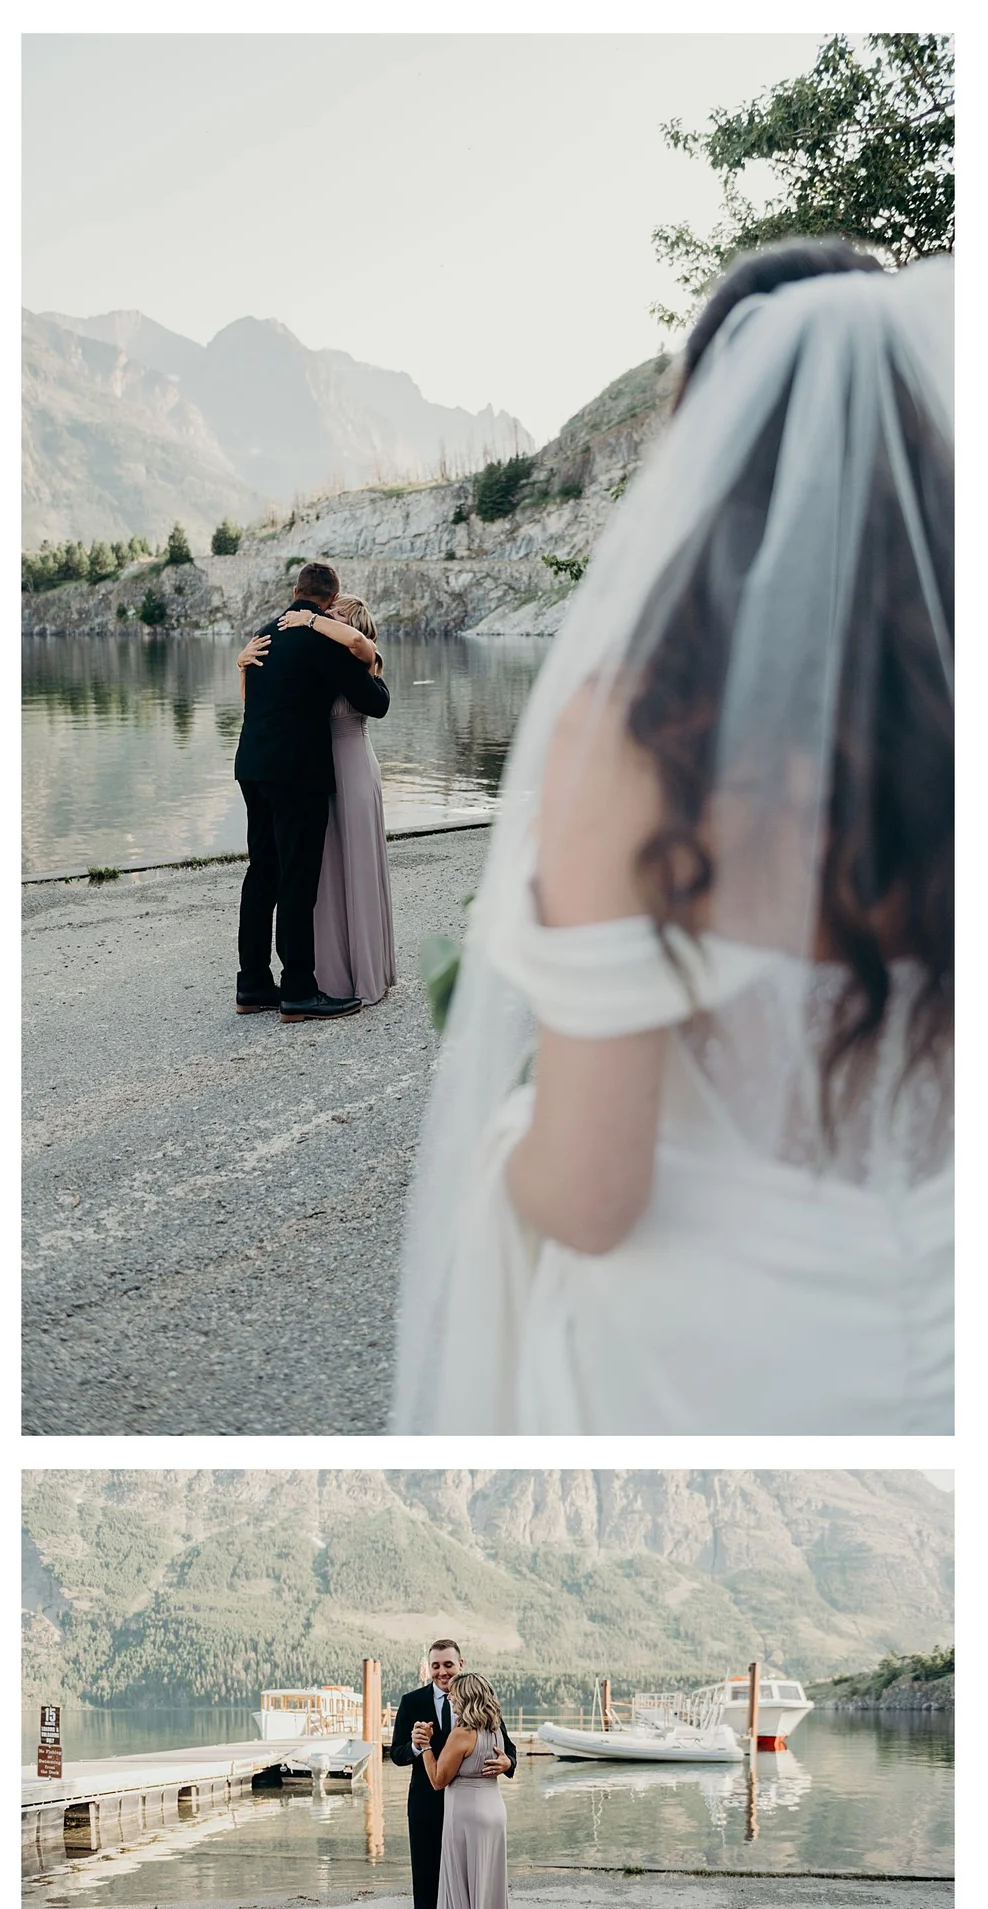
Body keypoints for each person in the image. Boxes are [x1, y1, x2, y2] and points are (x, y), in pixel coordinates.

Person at [394, 241, 954, 1436]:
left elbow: (593, 1194)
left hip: (715, 1356)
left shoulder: (642, 733)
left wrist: (502, 1147)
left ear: (708, 447)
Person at [233, 561, 390, 1023]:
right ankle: (299, 991)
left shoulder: (263, 634)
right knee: (298, 881)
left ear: (295, 590)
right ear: (329, 599)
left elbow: (254, 697)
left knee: (261, 874)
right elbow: (375, 702)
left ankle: (253, 985)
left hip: (251, 767)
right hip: (297, 773)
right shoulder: (322, 637)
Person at [389, 1639, 517, 1909]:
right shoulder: (411, 1702)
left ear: (461, 1663)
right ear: (428, 1668)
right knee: (427, 1884)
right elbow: (396, 1754)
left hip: (468, 1810)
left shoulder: (481, 1708)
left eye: (448, 1665)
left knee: (469, 1882)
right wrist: (416, 1745)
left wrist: (508, 1763)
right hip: (428, 1810)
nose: (442, 1672)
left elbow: (509, 1751)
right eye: (436, 1666)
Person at [420, 1670, 522, 1909]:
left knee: (462, 1888)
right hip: (493, 1812)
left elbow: (438, 1779)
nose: (449, 1696)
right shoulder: (493, 1730)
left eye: (454, 1694)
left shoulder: (461, 1734)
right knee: (486, 1891)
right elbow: (505, 1760)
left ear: (465, 1697)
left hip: (466, 1816)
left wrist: (424, 1749)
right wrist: (507, 1764)